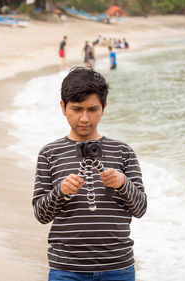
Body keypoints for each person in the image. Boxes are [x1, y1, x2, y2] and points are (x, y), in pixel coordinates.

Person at [33, 67, 147, 280]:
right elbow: (41, 214)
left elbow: (140, 208)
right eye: (76, 109)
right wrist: (61, 191)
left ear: (104, 107)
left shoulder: (123, 152)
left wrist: (123, 183)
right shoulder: (49, 154)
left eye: (92, 109)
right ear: (63, 107)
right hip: (66, 268)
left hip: (118, 267)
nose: (84, 118)